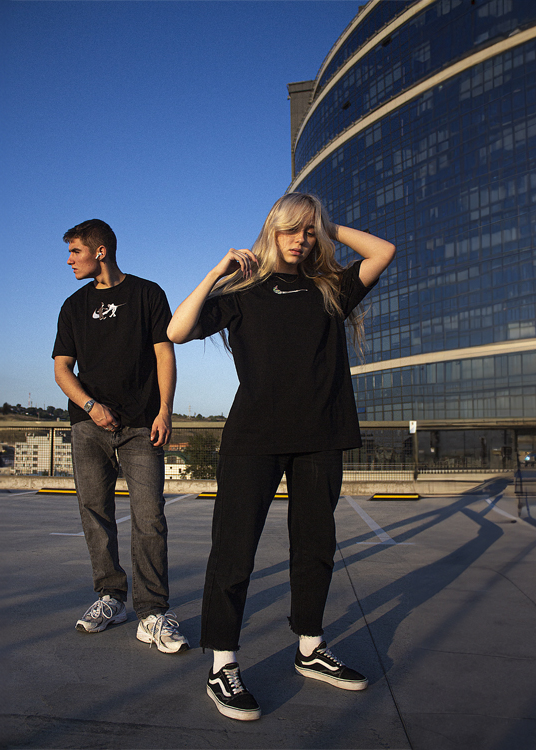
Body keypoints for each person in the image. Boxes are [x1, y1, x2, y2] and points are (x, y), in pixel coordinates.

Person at [167, 193, 395, 720]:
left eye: (309, 232)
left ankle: (310, 649)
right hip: (253, 437)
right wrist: (218, 271)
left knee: (315, 547)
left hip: (320, 436)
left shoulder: (330, 289)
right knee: (234, 550)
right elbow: (177, 331)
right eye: (292, 229)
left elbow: (382, 251)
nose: (301, 240)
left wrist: (328, 225)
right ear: (272, 230)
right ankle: (223, 664)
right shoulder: (243, 290)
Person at [53, 218, 188, 654]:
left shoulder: (148, 294)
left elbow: (164, 354)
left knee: (150, 517)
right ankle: (110, 598)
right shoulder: (73, 306)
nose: (69, 260)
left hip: (141, 425)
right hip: (88, 426)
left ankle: (152, 612)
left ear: (101, 251)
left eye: (75, 251)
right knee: (95, 514)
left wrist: (165, 411)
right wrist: (91, 406)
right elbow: (61, 369)